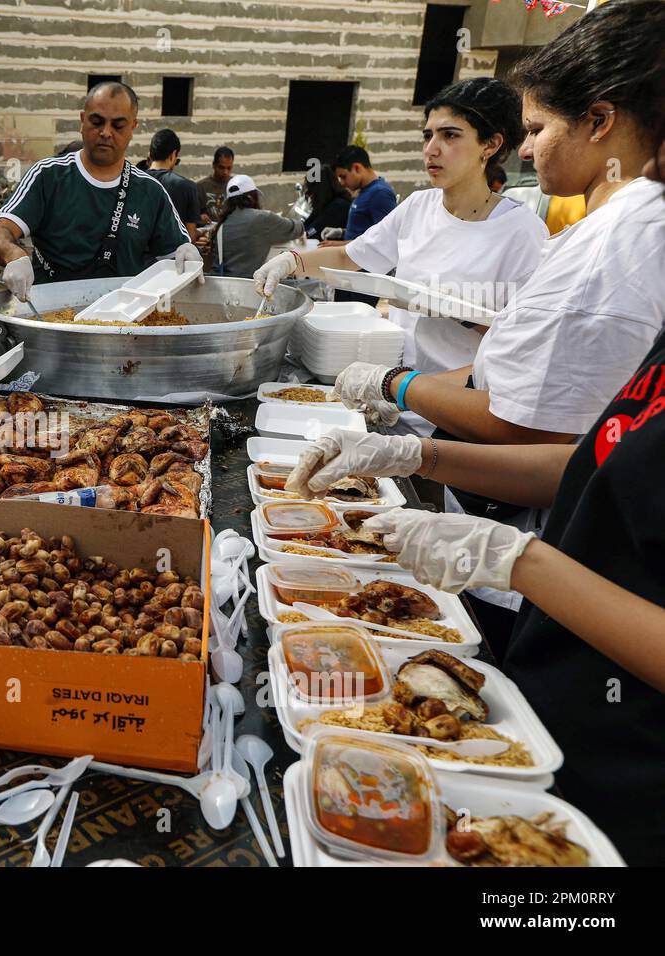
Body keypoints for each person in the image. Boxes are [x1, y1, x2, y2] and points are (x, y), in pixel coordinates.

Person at [284, 101, 664, 853]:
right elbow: (593, 461)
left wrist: (521, 562)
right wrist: (420, 456)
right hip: (557, 699)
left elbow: (528, 415)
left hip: (635, 766)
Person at [291, 1, 665, 643]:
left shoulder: (616, 244)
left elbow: (533, 429)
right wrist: (417, 447)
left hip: (560, 565)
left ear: (600, 121)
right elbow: (591, 446)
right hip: (478, 466)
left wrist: (397, 391)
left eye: (538, 128)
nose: (527, 147)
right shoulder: (605, 230)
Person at [256, 78, 546, 391]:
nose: (431, 149)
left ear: (490, 145)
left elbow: (522, 343)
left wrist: (456, 312)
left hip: (453, 403)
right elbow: (348, 256)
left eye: (450, 135)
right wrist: (290, 261)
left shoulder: (521, 232)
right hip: (390, 389)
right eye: (428, 135)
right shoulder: (419, 206)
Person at [0, 81, 202, 301]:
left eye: (118, 126)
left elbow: (176, 256)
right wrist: (14, 256)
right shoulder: (48, 176)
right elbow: (0, 235)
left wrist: (187, 255)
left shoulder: (151, 192)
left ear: (133, 128)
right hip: (51, 318)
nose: (106, 133)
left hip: (125, 323)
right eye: (97, 122)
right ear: (82, 121)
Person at [212, 174, 303, 278]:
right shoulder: (262, 218)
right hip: (252, 288)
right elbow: (296, 228)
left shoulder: (222, 225)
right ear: (251, 197)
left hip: (226, 285)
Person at [331, 144, 397, 241]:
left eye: (343, 176)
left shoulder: (380, 194)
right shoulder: (365, 191)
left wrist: (340, 247)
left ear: (357, 168)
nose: (342, 183)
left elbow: (386, 239)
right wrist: (342, 232)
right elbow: (365, 230)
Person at [145, 128, 201, 242]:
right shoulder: (187, 187)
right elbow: (190, 238)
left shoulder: (131, 181)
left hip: (135, 257)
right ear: (173, 154)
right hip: (172, 258)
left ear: (150, 154)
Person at [301, 164, 351, 240]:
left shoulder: (339, 205)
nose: (310, 193)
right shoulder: (326, 203)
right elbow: (308, 223)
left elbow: (316, 229)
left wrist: (305, 235)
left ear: (320, 188)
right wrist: (294, 230)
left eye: (312, 188)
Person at [197, 145, 234, 223]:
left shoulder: (236, 186)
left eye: (229, 168)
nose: (225, 172)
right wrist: (199, 218)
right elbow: (191, 216)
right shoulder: (201, 186)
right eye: (221, 167)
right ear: (214, 165)